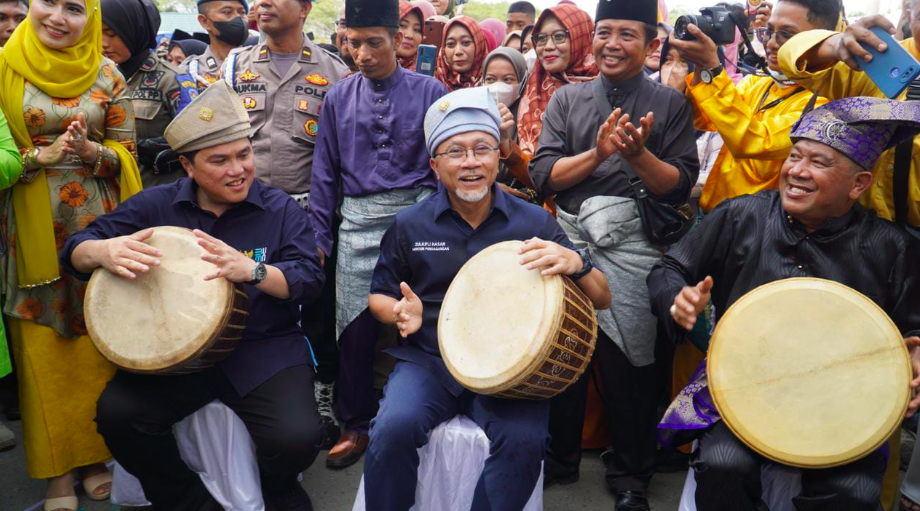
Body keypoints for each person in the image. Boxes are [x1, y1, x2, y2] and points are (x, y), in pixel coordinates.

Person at [63, 80, 324, 511]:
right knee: (119, 417)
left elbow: (310, 280)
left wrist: (254, 271)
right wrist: (102, 251)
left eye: (244, 155)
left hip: (262, 347)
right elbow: (74, 250)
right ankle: (188, 501)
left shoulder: (280, 209)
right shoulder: (154, 206)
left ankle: (277, 490)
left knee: (296, 438)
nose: (237, 169)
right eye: (219, 160)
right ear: (187, 166)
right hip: (173, 358)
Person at [651, 96, 920, 511]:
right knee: (725, 464)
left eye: (819, 163)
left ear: (859, 184)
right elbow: (669, 268)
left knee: (851, 491)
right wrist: (678, 299)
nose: (796, 171)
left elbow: (913, 328)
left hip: (841, 403)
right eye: (795, 156)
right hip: (738, 386)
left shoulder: (890, 245)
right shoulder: (742, 215)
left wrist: (916, 354)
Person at [364, 85, 611, 511]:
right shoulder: (411, 224)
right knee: (392, 429)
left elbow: (603, 298)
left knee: (524, 441)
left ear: (500, 156)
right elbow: (379, 297)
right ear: (435, 165)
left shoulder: (535, 221)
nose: (471, 161)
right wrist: (402, 312)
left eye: (483, 148)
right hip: (429, 359)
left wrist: (576, 262)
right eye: (455, 152)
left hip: (512, 371)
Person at [529, 0, 699, 508]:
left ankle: (631, 475)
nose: (612, 43)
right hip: (571, 242)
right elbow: (544, 176)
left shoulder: (668, 103)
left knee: (632, 365)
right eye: (605, 32)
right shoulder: (568, 100)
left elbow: (679, 187)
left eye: (628, 34)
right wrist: (600, 154)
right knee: (561, 355)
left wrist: (637, 156)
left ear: (651, 45)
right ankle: (558, 459)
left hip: (634, 248)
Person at [0, 0, 143, 508]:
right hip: (27, 230)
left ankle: (93, 459)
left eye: (74, 8)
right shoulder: (3, 66)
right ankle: (54, 472)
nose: (58, 17)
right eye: (48, 3)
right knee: (42, 350)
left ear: (93, 19)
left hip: (97, 226)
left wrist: (91, 153)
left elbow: (128, 151)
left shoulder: (107, 73)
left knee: (96, 344)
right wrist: (39, 157)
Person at [309, 0, 447, 470]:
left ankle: (422, 411)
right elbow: (325, 174)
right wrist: (321, 239)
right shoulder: (337, 98)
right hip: (359, 225)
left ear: (398, 41)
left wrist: (428, 218)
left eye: (374, 42)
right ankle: (357, 423)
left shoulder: (431, 91)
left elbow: (441, 162)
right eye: (353, 42)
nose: (362, 53)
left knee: (422, 317)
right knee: (353, 325)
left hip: (418, 222)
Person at [669, 0, 835, 214]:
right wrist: (702, 64)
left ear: (822, 41)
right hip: (717, 213)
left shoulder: (824, 102)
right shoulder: (758, 82)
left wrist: (712, 67)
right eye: (770, 31)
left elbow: (753, 142)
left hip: (759, 226)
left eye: (787, 35)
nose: (772, 43)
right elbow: (705, 118)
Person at [777, 2, 920, 228]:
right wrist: (836, 43)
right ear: (909, 15)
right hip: (858, 236)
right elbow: (789, 57)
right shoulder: (876, 63)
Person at [222, 0, 349, 197]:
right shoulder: (235, 66)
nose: (263, 3)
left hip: (307, 210)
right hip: (246, 204)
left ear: (304, 9)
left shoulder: (336, 72)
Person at [101, 0, 197, 189]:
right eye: (98, 33)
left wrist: (170, 148)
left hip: (157, 199)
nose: (103, 43)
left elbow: (200, 141)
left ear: (136, 31)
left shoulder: (172, 80)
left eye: (112, 34)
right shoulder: (99, 79)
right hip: (110, 197)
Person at [517, 4, 598, 156]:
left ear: (581, 37)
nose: (547, 46)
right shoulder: (533, 86)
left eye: (559, 36)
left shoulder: (608, 86)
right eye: (541, 38)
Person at [482, 47, 537, 201]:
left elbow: (539, 176)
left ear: (523, 80)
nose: (498, 87)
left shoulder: (533, 118)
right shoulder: (471, 114)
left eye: (507, 80)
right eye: (491, 79)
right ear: (482, 80)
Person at [182, 0, 250, 90]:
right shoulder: (190, 71)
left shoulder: (261, 65)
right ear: (204, 21)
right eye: (227, 12)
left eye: (242, 12)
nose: (238, 18)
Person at [436, 16, 489, 91]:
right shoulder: (432, 86)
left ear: (479, 45)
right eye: (451, 44)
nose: (458, 52)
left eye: (466, 43)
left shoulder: (492, 85)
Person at [397, 2, 424, 71]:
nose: (410, 35)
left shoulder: (426, 75)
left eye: (417, 30)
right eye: (402, 25)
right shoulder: (369, 66)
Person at [334, 6, 358, 72]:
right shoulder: (323, 66)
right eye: (343, 24)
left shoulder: (385, 74)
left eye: (357, 25)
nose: (348, 34)